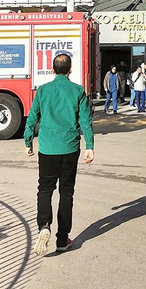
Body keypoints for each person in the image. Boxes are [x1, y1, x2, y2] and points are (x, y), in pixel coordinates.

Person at [25, 53, 95, 257]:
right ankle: (62, 239)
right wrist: (89, 145)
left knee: (45, 189)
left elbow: (33, 116)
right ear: (70, 70)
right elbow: (85, 120)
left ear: (53, 70)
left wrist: (28, 140)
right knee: (66, 193)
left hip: (47, 149)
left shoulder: (43, 91)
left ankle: (44, 225)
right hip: (69, 148)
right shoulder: (78, 91)